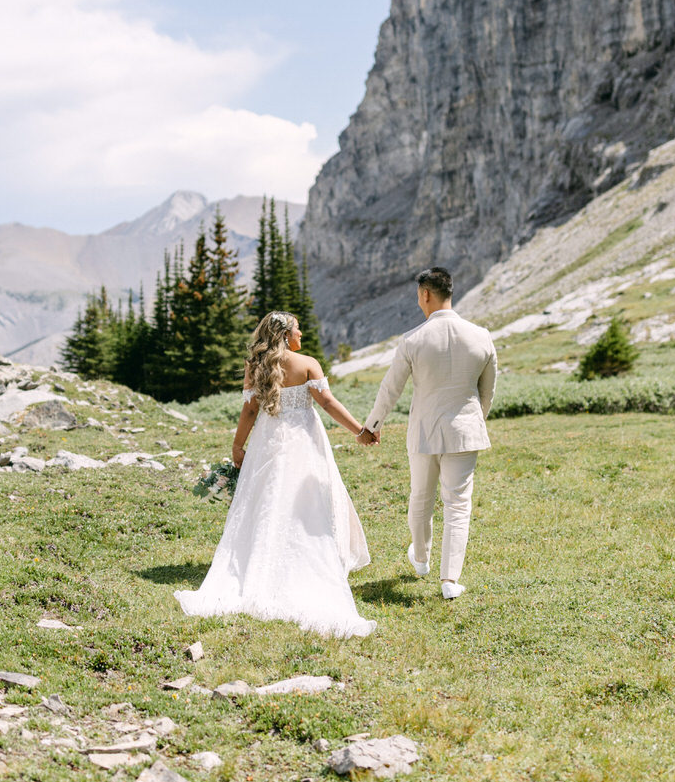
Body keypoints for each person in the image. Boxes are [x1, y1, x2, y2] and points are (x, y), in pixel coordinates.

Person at [175, 312, 376, 638]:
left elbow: (250, 409)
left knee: (266, 502)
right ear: (285, 335)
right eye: (298, 330)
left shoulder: (255, 366)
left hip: (267, 444)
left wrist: (238, 445)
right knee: (305, 503)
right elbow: (326, 402)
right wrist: (360, 431)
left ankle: (261, 561)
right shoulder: (307, 363)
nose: (302, 335)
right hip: (303, 442)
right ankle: (304, 563)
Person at [358, 267, 497, 600]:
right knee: (458, 505)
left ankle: (420, 559)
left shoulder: (412, 339)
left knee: (421, 496)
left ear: (425, 294)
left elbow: (390, 389)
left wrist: (372, 426)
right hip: (465, 431)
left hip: (423, 431)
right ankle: (449, 580)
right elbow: (487, 391)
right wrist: (474, 421)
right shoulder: (481, 335)